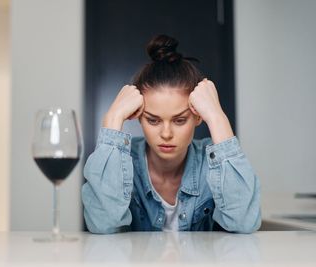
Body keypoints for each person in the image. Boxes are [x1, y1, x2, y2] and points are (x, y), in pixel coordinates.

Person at [82, 34, 261, 234]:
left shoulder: (211, 164)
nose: (166, 134)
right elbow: (103, 224)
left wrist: (217, 117)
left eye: (179, 120)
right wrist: (113, 118)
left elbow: (244, 223)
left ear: (198, 116)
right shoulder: (123, 161)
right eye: (153, 120)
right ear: (139, 116)